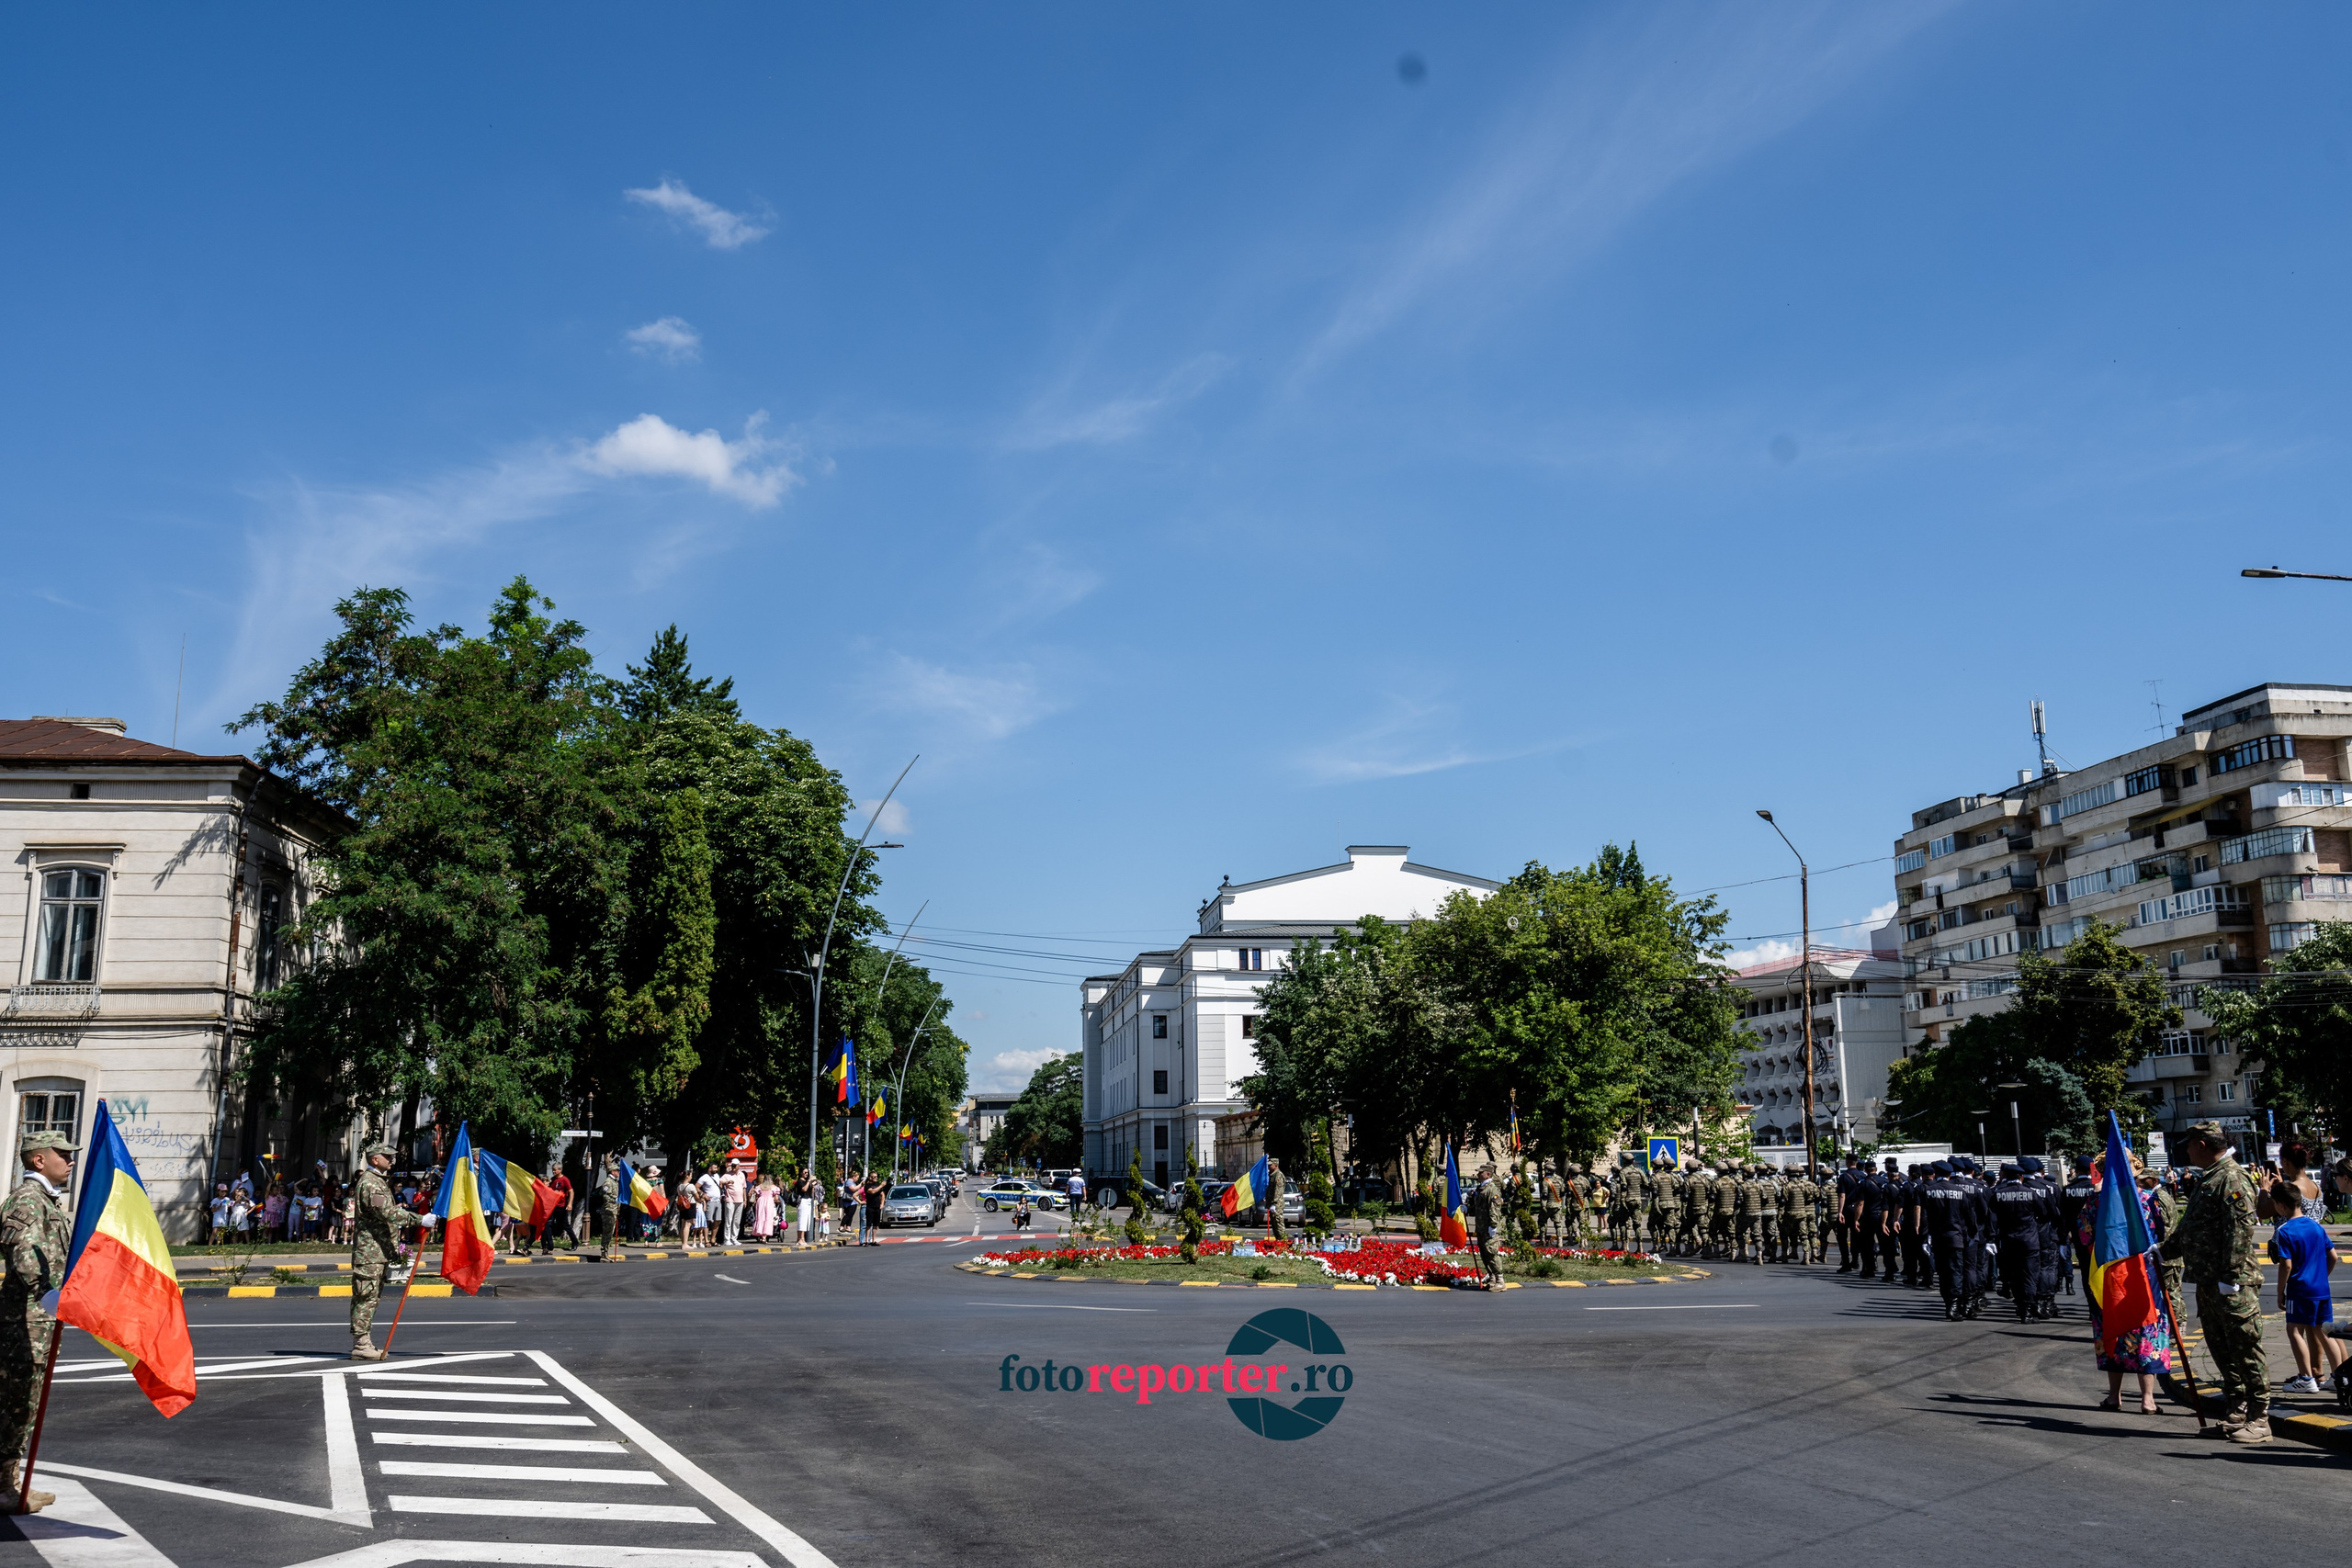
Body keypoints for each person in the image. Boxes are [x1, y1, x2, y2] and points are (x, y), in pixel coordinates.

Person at [2161, 1121, 2270, 1443]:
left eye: (2190, 1144)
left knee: (2245, 1347)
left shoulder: (2231, 1177)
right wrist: (2163, 1250)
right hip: (2209, 1281)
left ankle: (2261, 1418)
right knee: (2221, 1348)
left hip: (2231, 1282)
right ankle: (2237, 1411)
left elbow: (2240, 1231)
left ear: (2203, 1145)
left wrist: (2232, 1277)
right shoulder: (2210, 1177)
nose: (2187, 1150)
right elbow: (2194, 1227)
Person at [0, 1130, 78, 1514]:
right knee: (15, 1405)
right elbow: (25, 1255)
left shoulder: (46, 1200)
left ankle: (12, 1482)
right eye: (62, 1154)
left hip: (37, 1324)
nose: (70, 1160)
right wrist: (48, 1296)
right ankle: (3, 1487)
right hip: (23, 1325)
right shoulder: (28, 1201)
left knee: (23, 1405)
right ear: (38, 1160)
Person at [2079, 1147, 2172, 1413]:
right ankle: (2148, 1399)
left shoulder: (2096, 1202)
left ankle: (2114, 1396)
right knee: (2147, 1333)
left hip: (2110, 1274)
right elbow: (2160, 1235)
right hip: (2144, 1274)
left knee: (2113, 1331)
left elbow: (2085, 1237)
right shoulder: (2146, 1199)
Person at [350, 1141, 435, 1362]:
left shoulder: (377, 1181)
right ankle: (361, 1344)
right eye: (387, 1157)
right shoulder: (370, 1183)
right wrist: (419, 1219)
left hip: (376, 1252)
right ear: (374, 1159)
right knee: (366, 1298)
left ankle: (364, 1341)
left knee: (371, 1297)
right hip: (369, 1253)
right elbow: (387, 1213)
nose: (392, 1160)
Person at [2267, 1177, 2345, 1397]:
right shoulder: (2316, 1226)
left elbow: (2286, 1264)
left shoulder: (2285, 1230)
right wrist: (2322, 1276)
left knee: (2293, 1330)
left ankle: (2305, 1377)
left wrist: (2280, 1291)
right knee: (2324, 1331)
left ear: (2281, 1206)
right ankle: (2339, 1377)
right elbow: (2334, 1256)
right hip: (2321, 1288)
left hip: (2300, 1289)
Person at [1469, 1163, 1503, 1286]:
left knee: (1491, 1252)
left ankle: (1500, 1280)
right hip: (1481, 1227)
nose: (1478, 1174)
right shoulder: (1481, 1188)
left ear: (1488, 1174)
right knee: (1484, 1253)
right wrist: (1467, 1208)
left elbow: (1494, 1208)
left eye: (1480, 1173)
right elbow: (1477, 1207)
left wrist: (1493, 1226)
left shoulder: (1492, 1189)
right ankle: (1492, 1277)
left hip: (1489, 1227)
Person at [1263, 1158, 1288, 1242]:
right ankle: (1278, 1241)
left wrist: (1274, 1203)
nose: (1269, 1166)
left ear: (1276, 1165)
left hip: (1277, 1204)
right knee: (1274, 1224)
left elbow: (1278, 1190)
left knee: (1278, 1223)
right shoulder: (1271, 1175)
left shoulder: (1278, 1175)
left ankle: (1283, 1241)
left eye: (1271, 1165)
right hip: (1272, 1204)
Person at [796, 1168, 819, 1249]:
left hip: (808, 1201)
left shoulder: (806, 1182)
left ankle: (802, 1238)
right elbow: (804, 1189)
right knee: (802, 1220)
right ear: (801, 1173)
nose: (806, 1174)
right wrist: (809, 1181)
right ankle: (800, 1239)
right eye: (805, 1172)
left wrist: (812, 1185)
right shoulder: (800, 1181)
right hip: (803, 1201)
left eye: (807, 1172)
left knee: (806, 1221)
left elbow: (811, 1193)